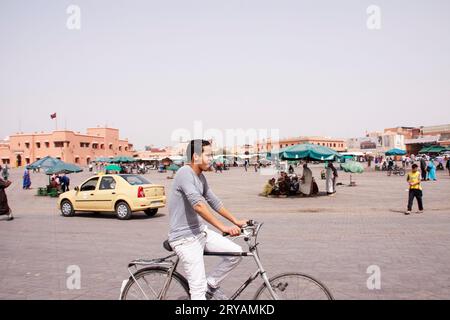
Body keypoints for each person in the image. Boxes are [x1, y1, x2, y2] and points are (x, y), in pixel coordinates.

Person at [168, 140, 248, 300]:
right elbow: (198, 205)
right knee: (197, 292)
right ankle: (202, 291)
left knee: (236, 253)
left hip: (200, 232)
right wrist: (223, 227)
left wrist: (235, 220)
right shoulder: (184, 172)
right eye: (208, 155)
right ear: (196, 156)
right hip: (184, 239)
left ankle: (210, 285)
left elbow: (214, 201)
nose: (211, 158)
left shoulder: (201, 177)